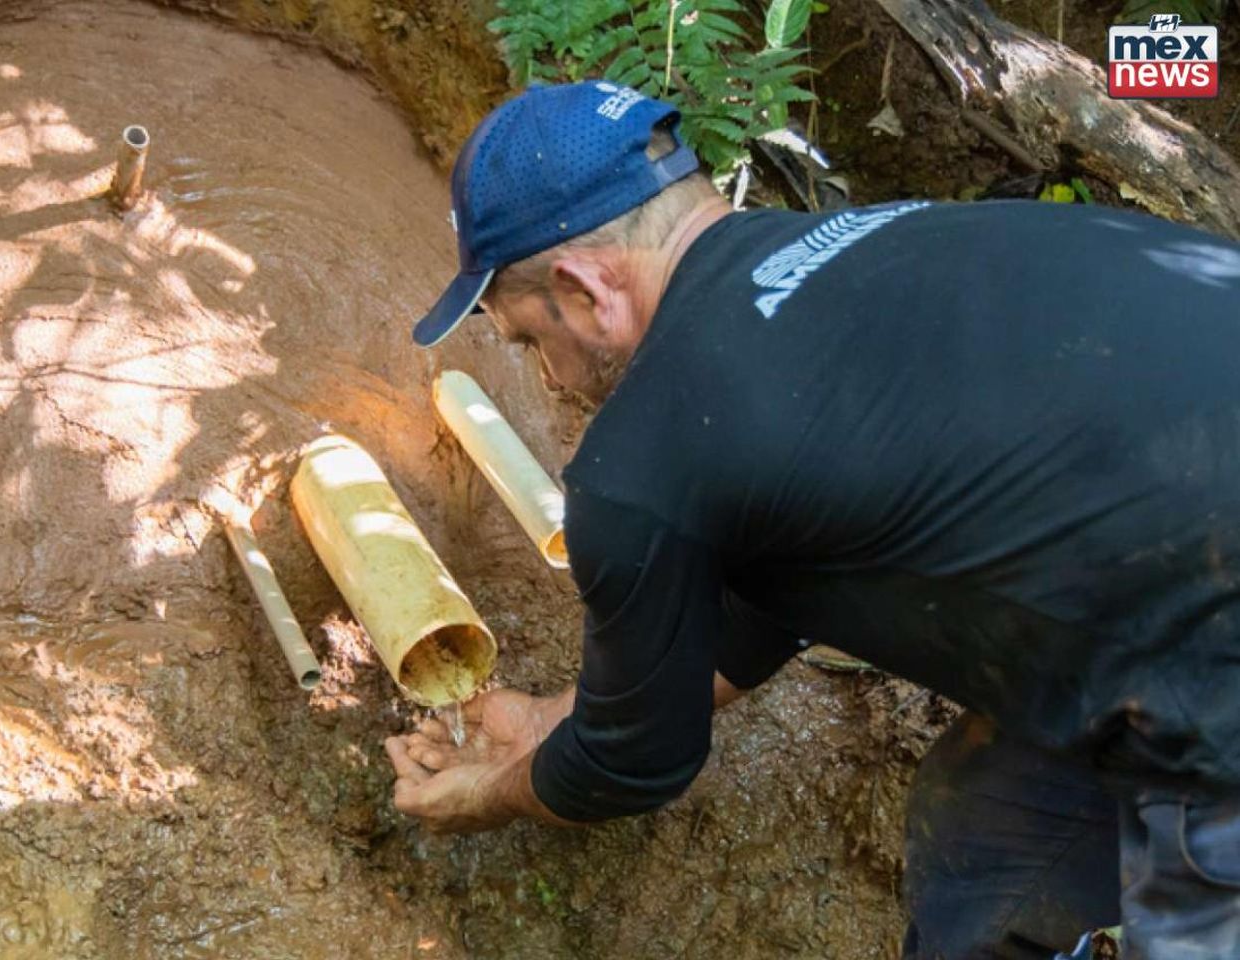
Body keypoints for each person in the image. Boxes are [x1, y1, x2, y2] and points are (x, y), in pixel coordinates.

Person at [382, 81, 1240, 959]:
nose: (551, 380)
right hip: (1165, 555)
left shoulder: (641, 457)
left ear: (585, 287)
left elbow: (631, 762)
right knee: (984, 843)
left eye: (529, 342)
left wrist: (486, 794)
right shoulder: (872, 248)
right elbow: (786, 572)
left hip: (1208, 664)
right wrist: (551, 719)